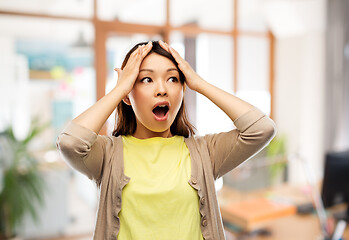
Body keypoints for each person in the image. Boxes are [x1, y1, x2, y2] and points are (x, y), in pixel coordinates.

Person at [56, 40, 276, 240]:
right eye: (146, 79)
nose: (162, 90)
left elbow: (261, 129)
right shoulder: (108, 154)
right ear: (128, 95)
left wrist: (199, 83)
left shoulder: (205, 152)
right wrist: (120, 89)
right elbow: (70, 143)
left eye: (173, 78)